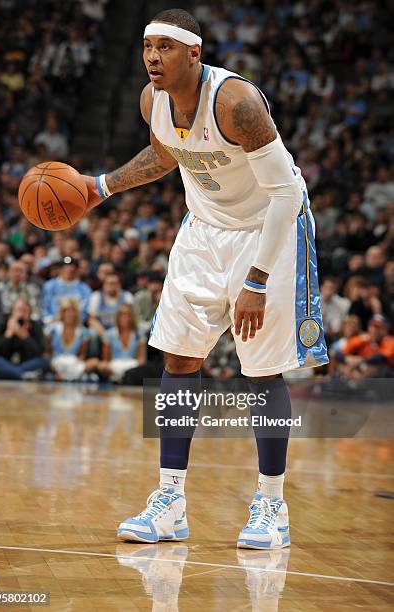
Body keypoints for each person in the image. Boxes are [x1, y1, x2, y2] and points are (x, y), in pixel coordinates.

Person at [82, 9, 328, 549]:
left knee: (261, 371)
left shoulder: (236, 103)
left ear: (194, 53)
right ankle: (169, 502)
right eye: (146, 45)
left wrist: (257, 281)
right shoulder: (154, 100)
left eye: (165, 46)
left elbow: (286, 194)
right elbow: (166, 153)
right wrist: (101, 186)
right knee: (178, 358)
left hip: (272, 228)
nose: (152, 56)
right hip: (204, 228)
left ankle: (272, 504)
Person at [0, 299, 48, 380]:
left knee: (45, 361)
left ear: (30, 313)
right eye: (19, 310)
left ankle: (12, 373)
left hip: (25, 364)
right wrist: (8, 335)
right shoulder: (2, 322)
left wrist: (25, 337)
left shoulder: (35, 325)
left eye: (25, 311)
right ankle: (21, 375)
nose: (21, 314)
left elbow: (39, 352)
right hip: (5, 362)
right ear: (12, 311)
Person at [45, 298, 98, 382]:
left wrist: (75, 364)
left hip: (73, 363)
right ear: (62, 313)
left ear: (76, 314)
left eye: (72, 311)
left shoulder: (83, 332)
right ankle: (68, 376)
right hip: (56, 362)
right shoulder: (52, 330)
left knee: (94, 362)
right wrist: (53, 368)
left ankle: (69, 376)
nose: (70, 314)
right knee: (46, 361)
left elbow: (81, 356)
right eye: (67, 311)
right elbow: (48, 352)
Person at [98, 304, 147, 382]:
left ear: (132, 317)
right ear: (117, 316)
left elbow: (141, 360)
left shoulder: (139, 335)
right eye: (122, 314)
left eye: (127, 314)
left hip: (132, 366)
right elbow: (106, 360)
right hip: (114, 366)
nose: (124, 317)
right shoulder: (109, 334)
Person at [41, 257, 92, 324]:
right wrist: (49, 319)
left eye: (72, 267)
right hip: (53, 323)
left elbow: (85, 309)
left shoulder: (84, 288)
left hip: (77, 324)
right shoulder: (49, 286)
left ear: (76, 269)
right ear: (60, 269)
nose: (69, 269)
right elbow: (44, 306)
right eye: (66, 267)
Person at [88, 272, 133, 337]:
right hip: (102, 329)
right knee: (92, 333)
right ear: (104, 284)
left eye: (115, 283)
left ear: (119, 285)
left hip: (121, 329)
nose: (112, 286)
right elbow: (91, 319)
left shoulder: (127, 296)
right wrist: (104, 334)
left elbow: (131, 318)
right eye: (109, 283)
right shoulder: (96, 296)